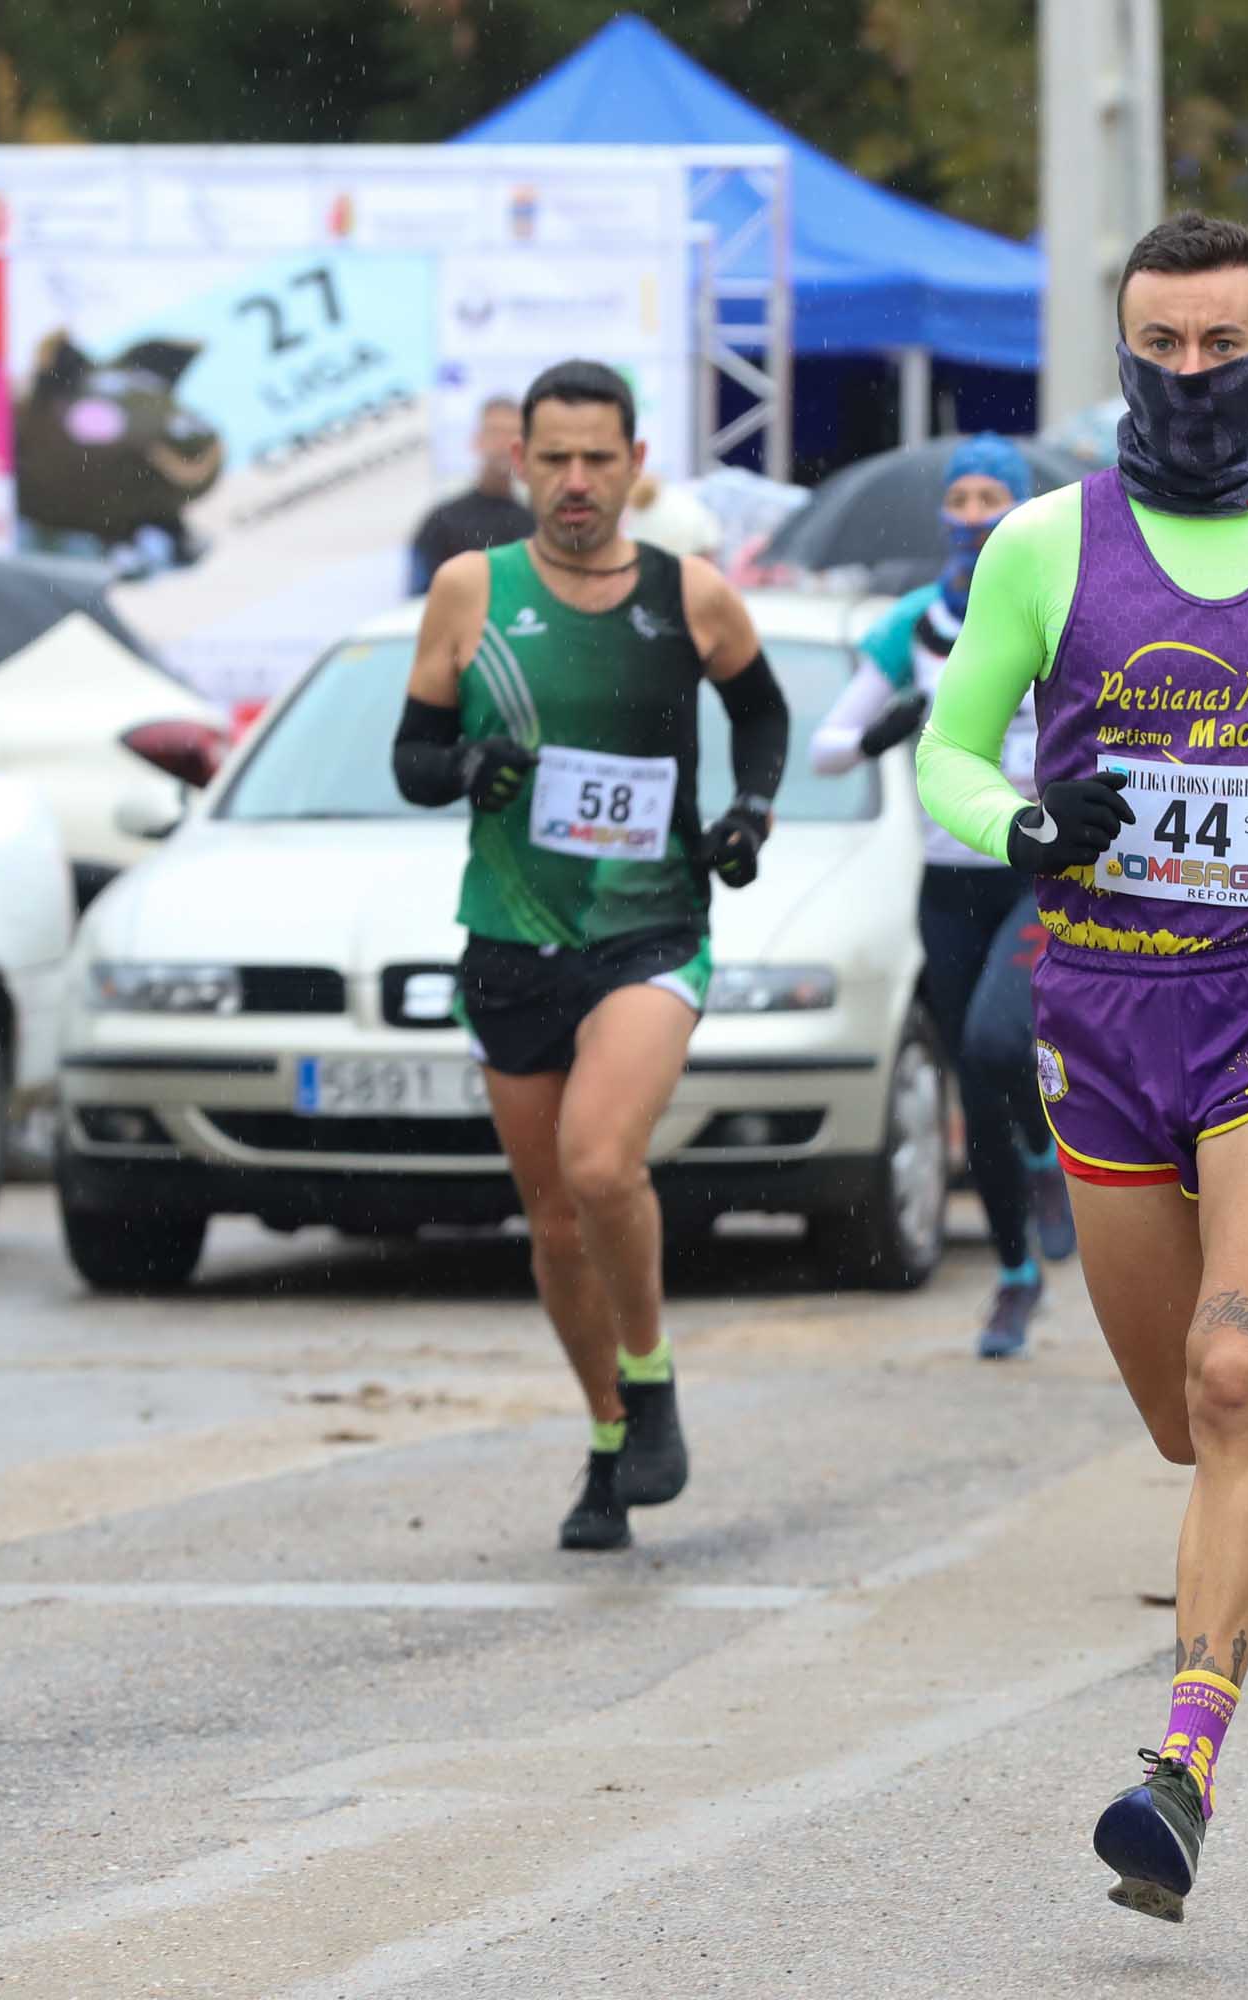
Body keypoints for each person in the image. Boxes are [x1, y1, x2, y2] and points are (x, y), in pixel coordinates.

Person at [913, 214, 1248, 1921]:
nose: (1191, 376)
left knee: (1234, 1379)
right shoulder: (1045, 550)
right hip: (1109, 1024)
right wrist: (1016, 817)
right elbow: (945, 750)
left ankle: (1183, 1766)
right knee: (1185, 1420)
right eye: (1161, 347)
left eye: (1220, 345)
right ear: (1124, 352)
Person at [390, 359, 790, 1552]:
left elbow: (760, 715)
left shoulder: (689, 592)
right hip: (512, 934)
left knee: (603, 1162)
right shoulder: (471, 588)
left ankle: (653, 1374)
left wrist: (750, 813)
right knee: (555, 1220)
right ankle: (611, 1428)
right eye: (552, 458)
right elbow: (410, 759)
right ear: (520, 461)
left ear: (634, 463)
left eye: (596, 459)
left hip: (651, 924)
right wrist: (470, 767)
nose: (574, 481)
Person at [809, 435, 1077, 1358]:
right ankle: (1013, 1276)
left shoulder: (1056, 602)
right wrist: (900, 724)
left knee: (1000, 1041)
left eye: (988, 498)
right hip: (948, 874)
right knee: (975, 1075)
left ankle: (1051, 1156)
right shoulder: (912, 625)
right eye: (958, 499)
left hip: (1037, 868)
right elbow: (826, 749)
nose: (972, 516)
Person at [408, 397, 533, 593]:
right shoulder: (442, 521)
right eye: (496, 432)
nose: (504, 444)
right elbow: (419, 598)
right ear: (477, 440)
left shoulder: (536, 522)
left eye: (513, 434)